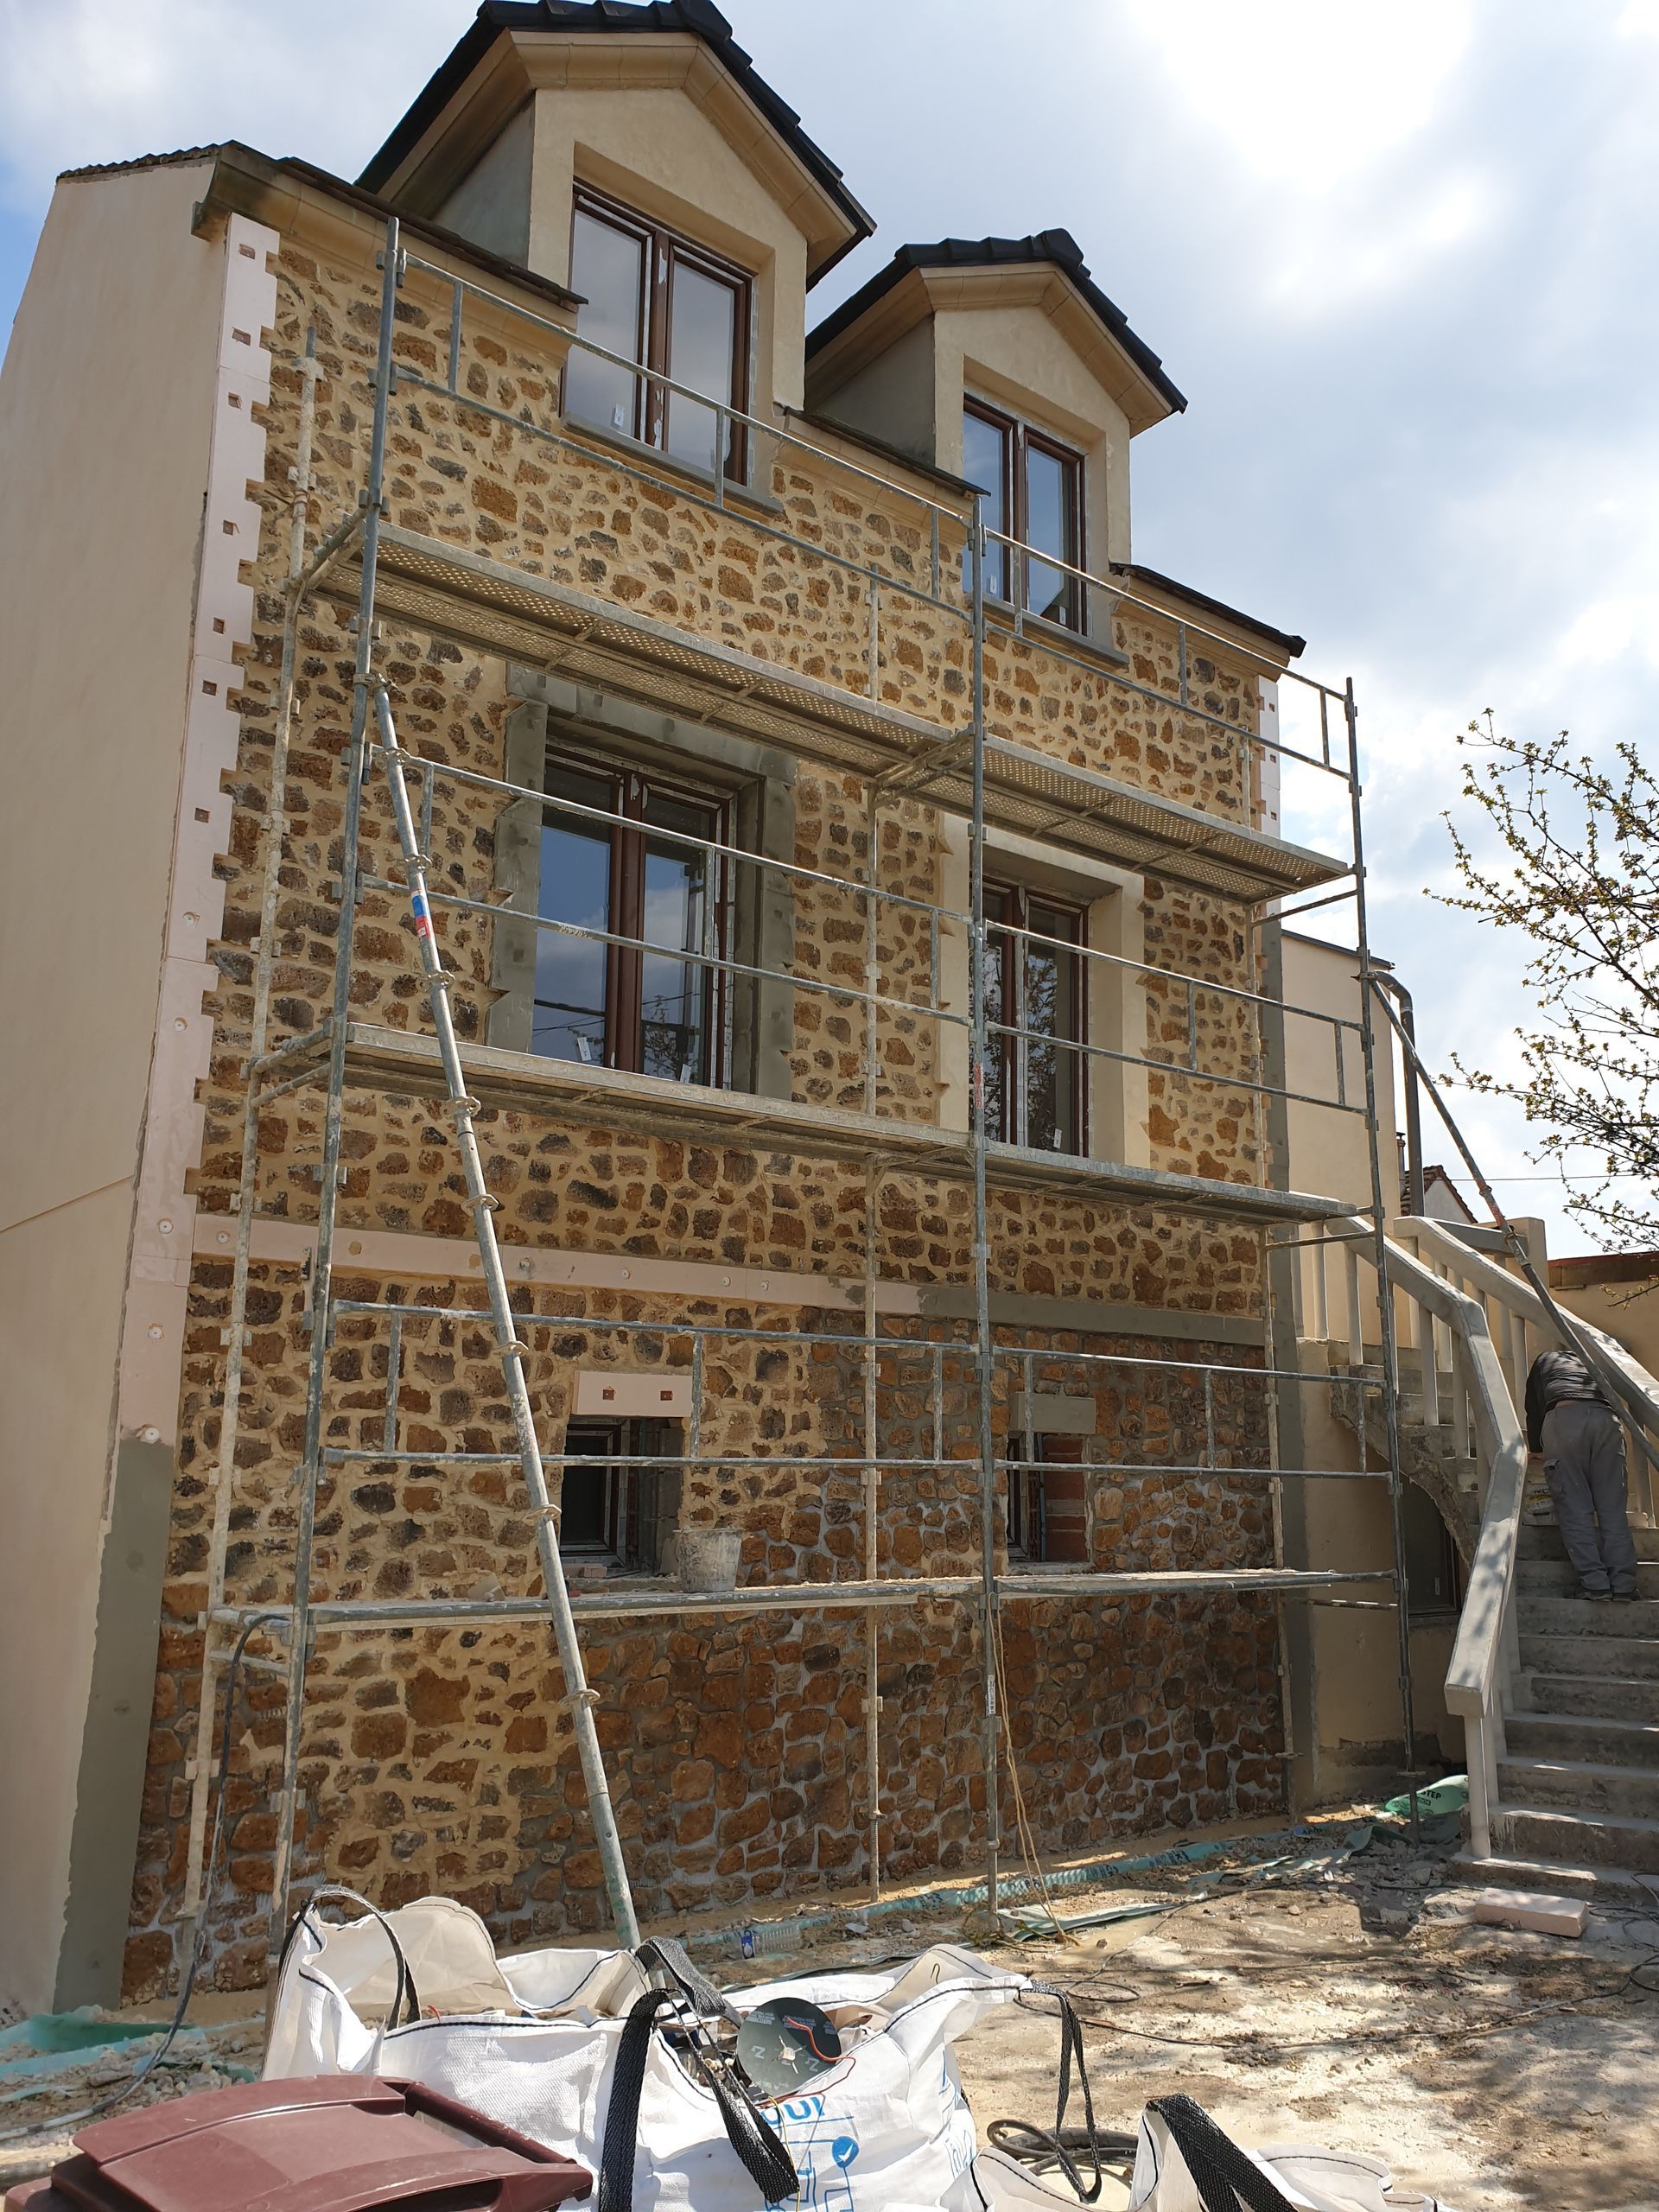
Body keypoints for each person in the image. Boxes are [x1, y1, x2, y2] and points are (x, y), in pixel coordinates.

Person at [1524, 1345, 1639, 1601]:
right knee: (1612, 1509)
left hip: (1564, 1419)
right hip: (1607, 1420)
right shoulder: (1594, 1360)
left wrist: (1536, 1448)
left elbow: (1534, 1411)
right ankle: (1624, 1584)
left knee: (1575, 1508)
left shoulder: (1544, 1359)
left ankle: (1595, 1584)